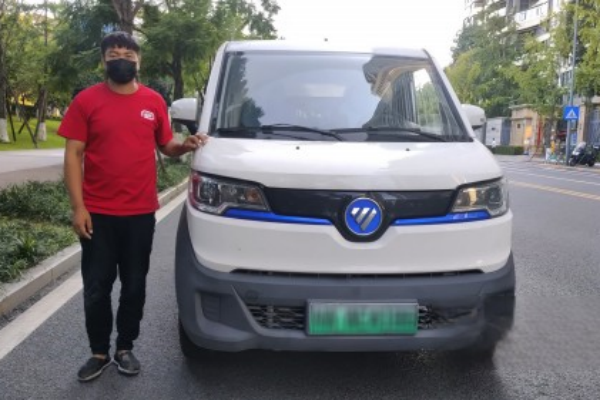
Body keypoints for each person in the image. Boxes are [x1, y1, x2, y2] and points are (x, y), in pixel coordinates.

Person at [58, 31, 208, 382]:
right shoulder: (86, 101)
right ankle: (99, 352)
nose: (121, 59)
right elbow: (73, 154)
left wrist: (184, 145)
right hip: (97, 214)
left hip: (140, 213)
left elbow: (165, 145)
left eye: (128, 54)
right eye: (114, 54)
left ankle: (125, 347)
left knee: (135, 285)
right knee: (97, 286)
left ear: (139, 61)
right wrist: (78, 207)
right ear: (103, 60)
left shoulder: (154, 101)